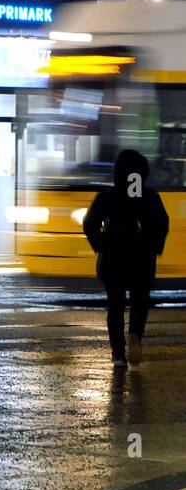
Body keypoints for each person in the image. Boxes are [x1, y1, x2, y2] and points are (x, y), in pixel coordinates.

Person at [82, 150, 170, 366]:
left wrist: (100, 244)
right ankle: (135, 336)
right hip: (142, 261)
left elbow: (90, 223)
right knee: (140, 303)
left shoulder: (107, 197)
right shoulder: (150, 198)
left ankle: (118, 354)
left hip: (113, 260)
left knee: (116, 306)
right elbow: (162, 224)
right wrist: (154, 247)